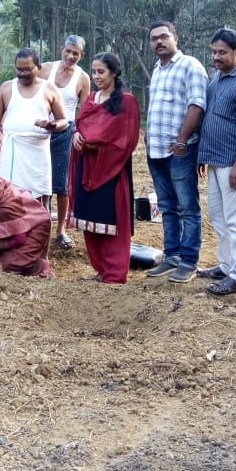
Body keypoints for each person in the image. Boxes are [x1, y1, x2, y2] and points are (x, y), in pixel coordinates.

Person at [143, 21, 209, 284]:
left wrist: (182, 140)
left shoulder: (190, 66)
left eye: (163, 36)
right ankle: (171, 256)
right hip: (156, 149)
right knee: (167, 206)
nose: (158, 42)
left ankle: (189, 261)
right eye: (154, 39)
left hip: (181, 150)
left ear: (175, 38)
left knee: (187, 207)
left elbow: (197, 105)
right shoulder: (157, 69)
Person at [197, 28, 236, 296]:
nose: (216, 57)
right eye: (214, 52)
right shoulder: (216, 80)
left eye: (222, 52)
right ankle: (226, 265)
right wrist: (203, 156)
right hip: (213, 159)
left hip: (233, 162)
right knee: (218, 215)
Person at [68, 53, 140, 284]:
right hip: (87, 167)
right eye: (94, 71)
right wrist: (77, 136)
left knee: (112, 221)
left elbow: (127, 140)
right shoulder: (91, 98)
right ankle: (100, 270)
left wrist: (97, 144)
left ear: (114, 73)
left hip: (111, 170)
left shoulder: (127, 101)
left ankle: (114, 274)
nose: (96, 76)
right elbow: (81, 126)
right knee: (89, 220)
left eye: (101, 72)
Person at [0, 48, 68, 200]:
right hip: (12, 151)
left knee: (39, 199)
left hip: (38, 153)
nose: (22, 73)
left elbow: (64, 121)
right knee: (9, 197)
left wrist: (52, 125)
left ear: (38, 67)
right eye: (19, 69)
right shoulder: (7, 87)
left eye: (27, 69)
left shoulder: (50, 89)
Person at [40, 35, 91, 248]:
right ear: (62, 49)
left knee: (62, 184)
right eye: (68, 51)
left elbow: (85, 111)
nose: (70, 56)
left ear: (81, 55)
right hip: (41, 130)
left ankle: (61, 229)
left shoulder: (83, 78)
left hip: (65, 133)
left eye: (75, 53)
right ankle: (41, 226)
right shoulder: (45, 69)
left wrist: (79, 133)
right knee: (41, 182)